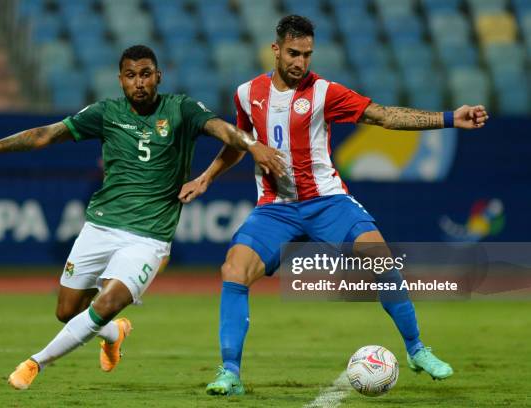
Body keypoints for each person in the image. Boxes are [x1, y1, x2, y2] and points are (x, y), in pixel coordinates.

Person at [178, 15, 489, 396]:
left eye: (307, 54)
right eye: (293, 53)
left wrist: (448, 118)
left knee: (380, 256)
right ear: (275, 50)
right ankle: (230, 373)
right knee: (234, 268)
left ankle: (417, 349)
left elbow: (385, 116)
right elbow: (239, 144)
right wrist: (206, 177)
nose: (300, 62)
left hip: (326, 201)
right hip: (275, 207)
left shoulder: (325, 92)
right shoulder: (247, 93)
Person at [0, 45, 285, 390]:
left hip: (149, 238)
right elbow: (46, 135)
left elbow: (222, 129)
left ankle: (36, 362)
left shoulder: (181, 109)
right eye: (130, 76)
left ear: (158, 76)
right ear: (120, 80)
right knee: (67, 311)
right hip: (100, 227)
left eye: (145, 74)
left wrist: (251, 145)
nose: (138, 82)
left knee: (107, 301)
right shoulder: (106, 113)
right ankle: (114, 332)